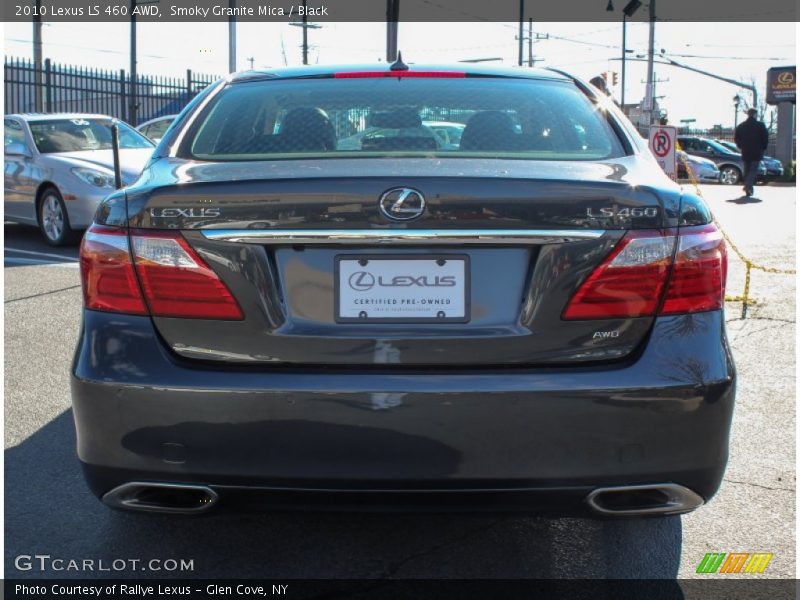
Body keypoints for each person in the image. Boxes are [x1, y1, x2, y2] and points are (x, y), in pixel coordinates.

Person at [734, 108, 769, 197]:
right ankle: (748, 186)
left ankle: (749, 189)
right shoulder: (760, 125)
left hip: (745, 151)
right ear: (755, 114)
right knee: (753, 170)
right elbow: (765, 137)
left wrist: (741, 146)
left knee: (747, 169)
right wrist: (763, 147)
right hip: (757, 151)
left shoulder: (741, 126)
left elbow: (736, 138)